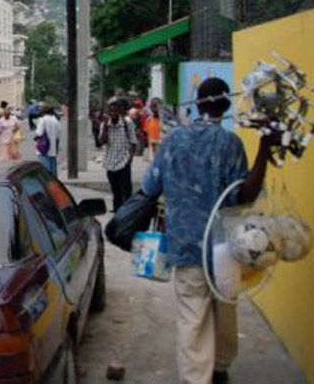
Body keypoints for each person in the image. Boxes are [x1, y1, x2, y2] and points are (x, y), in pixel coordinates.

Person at [141, 78, 275, 384]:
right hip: (224, 248)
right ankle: (220, 367)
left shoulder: (173, 140)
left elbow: (150, 186)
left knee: (193, 316)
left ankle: (196, 378)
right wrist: (265, 150)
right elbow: (245, 196)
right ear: (225, 106)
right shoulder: (230, 143)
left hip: (186, 245)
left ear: (197, 103)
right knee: (225, 309)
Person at [98, 98, 136, 212]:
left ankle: (128, 211)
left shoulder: (127, 123)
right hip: (110, 162)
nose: (113, 113)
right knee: (115, 190)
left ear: (120, 111)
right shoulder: (105, 124)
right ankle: (117, 210)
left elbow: (133, 141)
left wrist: (130, 159)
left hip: (123, 161)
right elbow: (102, 141)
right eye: (111, 111)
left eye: (115, 110)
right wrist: (105, 126)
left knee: (126, 190)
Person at [34, 103, 61, 177]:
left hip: (43, 147)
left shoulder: (42, 120)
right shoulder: (56, 120)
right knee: (53, 168)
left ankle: (48, 182)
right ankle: (54, 182)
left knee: (45, 168)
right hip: (53, 147)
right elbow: (58, 135)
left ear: (43, 111)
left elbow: (39, 133)